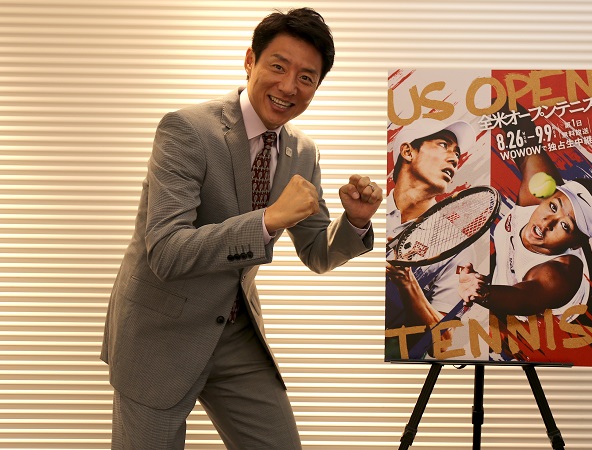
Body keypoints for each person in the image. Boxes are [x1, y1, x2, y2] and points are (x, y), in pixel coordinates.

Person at [100, 8, 382, 449]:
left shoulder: (303, 153)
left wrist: (357, 220)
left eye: (306, 77)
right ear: (250, 60)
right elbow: (166, 251)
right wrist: (268, 220)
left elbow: (317, 252)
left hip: (235, 333)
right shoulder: (187, 130)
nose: (289, 87)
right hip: (160, 332)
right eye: (278, 66)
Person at [458, 107, 592, 324]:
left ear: (576, 243)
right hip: (510, 259)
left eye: (565, 226)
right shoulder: (537, 191)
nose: (547, 222)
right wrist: (491, 108)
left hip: (557, 318)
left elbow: (523, 297)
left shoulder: (556, 275)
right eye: (553, 206)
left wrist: (483, 293)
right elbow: (518, 122)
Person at [384, 117, 488, 360]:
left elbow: (442, 344)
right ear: (408, 152)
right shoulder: (365, 212)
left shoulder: (457, 247)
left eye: (457, 154)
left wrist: (407, 282)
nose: (454, 158)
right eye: (443, 145)